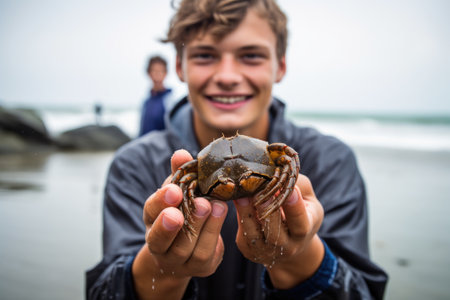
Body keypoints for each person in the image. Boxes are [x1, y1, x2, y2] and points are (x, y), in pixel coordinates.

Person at [86, 0, 388, 299]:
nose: (227, 77)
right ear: (179, 66)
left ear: (280, 65)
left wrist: (300, 257)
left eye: (251, 55)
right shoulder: (135, 165)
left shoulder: (328, 162)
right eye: (205, 55)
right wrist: (163, 267)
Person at [138, 55, 173, 136]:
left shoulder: (170, 100)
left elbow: (173, 131)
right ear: (149, 73)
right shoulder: (146, 102)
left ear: (165, 73)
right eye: (154, 71)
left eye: (160, 71)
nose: (157, 74)